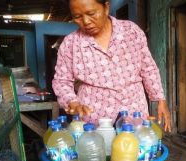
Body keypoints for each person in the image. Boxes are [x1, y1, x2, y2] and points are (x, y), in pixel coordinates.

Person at [52, 0, 171, 132]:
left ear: (106, 7)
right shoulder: (70, 44)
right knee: (97, 150)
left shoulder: (131, 31)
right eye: (77, 17)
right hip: (94, 116)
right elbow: (62, 81)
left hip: (134, 110)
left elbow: (148, 67)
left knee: (135, 148)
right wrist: (72, 102)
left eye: (91, 13)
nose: (85, 21)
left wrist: (160, 99)